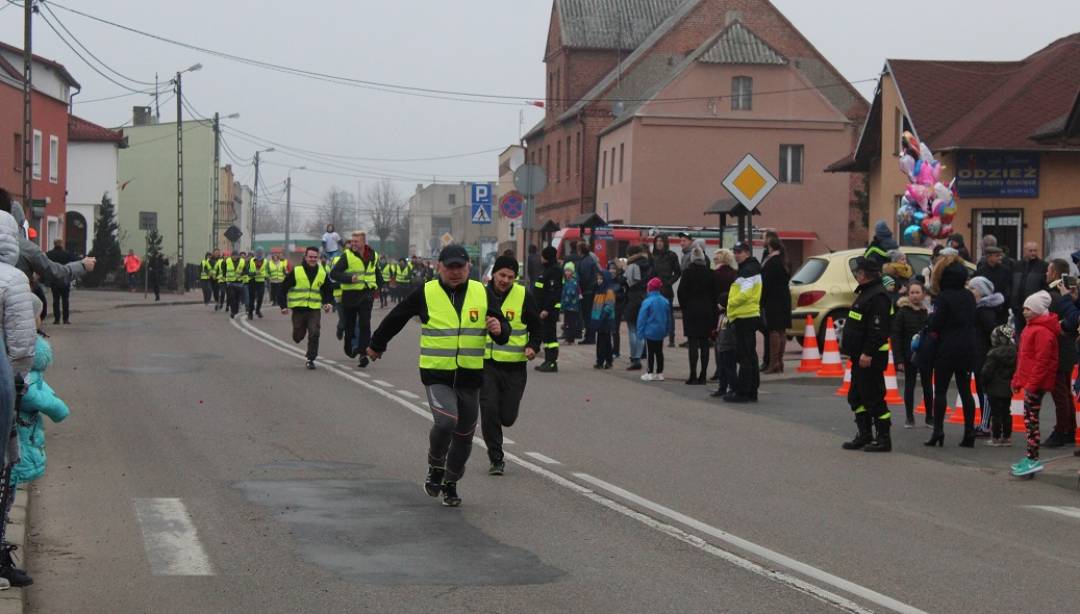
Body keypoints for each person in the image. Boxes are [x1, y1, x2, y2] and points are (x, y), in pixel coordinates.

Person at [367, 245, 510, 507]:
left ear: (468, 268)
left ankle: (451, 482)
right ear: (439, 267)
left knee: (465, 436)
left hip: (470, 376)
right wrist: (377, 344)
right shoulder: (427, 292)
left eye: (460, 267)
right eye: (450, 267)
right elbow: (397, 317)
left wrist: (499, 329)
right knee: (446, 423)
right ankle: (435, 464)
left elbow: (502, 329)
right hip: (437, 374)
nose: (455, 272)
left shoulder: (482, 292)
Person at [7, 332, 68, 586]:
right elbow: (32, 394)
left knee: (9, 490)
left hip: (21, 437)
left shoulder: (29, 367)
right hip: (17, 439)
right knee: (8, 483)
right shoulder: (25, 367)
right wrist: (58, 408)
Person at [480, 256, 541, 476]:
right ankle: (496, 458)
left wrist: (533, 346)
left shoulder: (523, 295)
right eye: (501, 275)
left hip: (514, 367)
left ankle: (499, 443)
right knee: (489, 411)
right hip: (486, 364)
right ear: (493, 274)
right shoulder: (480, 294)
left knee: (507, 416)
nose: (505, 280)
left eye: (510, 276)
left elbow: (536, 326)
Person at [926, 255, 978, 448]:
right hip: (967, 347)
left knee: (940, 390)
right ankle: (969, 432)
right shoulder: (969, 296)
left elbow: (936, 324)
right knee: (965, 390)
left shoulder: (943, 297)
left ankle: (938, 430)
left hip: (946, 348)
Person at [1009, 291, 1059, 477]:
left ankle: (1032, 459)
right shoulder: (1031, 328)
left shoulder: (1043, 332)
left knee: (1032, 422)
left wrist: (1031, 384)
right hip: (1030, 381)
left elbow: (1042, 362)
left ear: (1038, 310)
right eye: (1024, 308)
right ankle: (1030, 457)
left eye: (1028, 308)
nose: (1024, 311)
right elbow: (1024, 360)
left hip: (1036, 384)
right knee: (1029, 421)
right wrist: (1017, 380)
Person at [329, 231, 383, 368]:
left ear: (363, 242)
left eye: (356, 241)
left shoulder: (374, 255)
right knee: (350, 325)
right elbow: (334, 273)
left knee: (365, 324)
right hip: (350, 295)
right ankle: (349, 347)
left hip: (367, 294)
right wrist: (348, 278)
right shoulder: (347, 256)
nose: (353, 244)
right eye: (352, 241)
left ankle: (363, 354)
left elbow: (377, 274)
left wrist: (379, 287)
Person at [1041, 259, 1078, 448]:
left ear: (1054, 273)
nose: (1046, 274)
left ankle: (1061, 430)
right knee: (1064, 391)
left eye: (1048, 271)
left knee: (1060, 393)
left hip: (1059, 349)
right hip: (1066, 348)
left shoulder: (1053, 297)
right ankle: (1069, 429)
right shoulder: (1063, 297)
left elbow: (1060, 323)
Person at [279, 247, 334, 369]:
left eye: (315, 257)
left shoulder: (322, 272)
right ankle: (298, 333)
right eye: (311, 257)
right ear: (305, 257)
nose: (313, 259)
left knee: (314, 332)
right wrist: (283, 306)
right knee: (298, 336)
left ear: (318, 258)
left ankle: (311, 358)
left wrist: (328, 303)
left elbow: (328, 290)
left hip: (314, 309)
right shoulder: (297, 271)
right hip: (298, 309)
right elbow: (283, 288)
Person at [968, 276, 1007, 437]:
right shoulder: (982, 309)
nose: (970, 291)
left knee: (985, 390)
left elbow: (992, 332)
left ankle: (986, 425)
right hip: (981, 353)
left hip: (984, 355)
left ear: (981, 292)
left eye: (973, 288)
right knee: (981, 389)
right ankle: (988, 423)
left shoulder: (984, 311)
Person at [724, 242, 762, 403]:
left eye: (739, 252)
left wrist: (730, 302)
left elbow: (745, 294)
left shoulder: (747, 270)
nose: (736, 255)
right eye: (735, 252)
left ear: (747, 252)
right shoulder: (751, 267)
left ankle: (743, 392)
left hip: (744, 316)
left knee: (745, 356)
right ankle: (752, 390)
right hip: (748, 315)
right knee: (750, 355)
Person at [892, 280, 933, 428]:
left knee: (928, 385)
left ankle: (929, 417)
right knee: (909, 385)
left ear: (923, 294)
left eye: (917, 292)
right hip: (908, 354)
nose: (915, 296)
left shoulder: (928, 312)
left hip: (926, 354)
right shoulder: (902, 312)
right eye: (912, 293)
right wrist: (899, 359)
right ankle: (909, 417)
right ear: (908, 295)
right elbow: (896, 336)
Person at [676, 245, 718, 384]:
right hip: (707, 312)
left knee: (693, 344)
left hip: (691, 312)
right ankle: (703, 375)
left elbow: (681, 292)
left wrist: (685, 307)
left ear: (692, 259)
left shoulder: (687, 273)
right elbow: (715, 295)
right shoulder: (711, 273)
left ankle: (693, 375)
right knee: (705, 343)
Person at [981, 324, 1017, 446]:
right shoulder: (1014, 352)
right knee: (1006, 412)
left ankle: (996, 437)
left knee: (996, 413)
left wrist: (984, 383)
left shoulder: (993, 354)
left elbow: (986, 372)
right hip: (1007, 388)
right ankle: (1007, 437)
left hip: (993, 387)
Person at [760, 237, 791, 374]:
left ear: (770, 247)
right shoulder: (784, 261)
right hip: (784, 298)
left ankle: (774, 363)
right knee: (781, 330)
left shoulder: (771, 262)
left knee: (773, 330)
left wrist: (761, 300)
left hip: (773, 299)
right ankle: (780, 362)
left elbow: (765, 282)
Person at [533, 246, 563, 373]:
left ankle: (552, 362)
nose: (540, 258)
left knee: (550, 337)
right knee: (546, 336)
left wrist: (546, 309)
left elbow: (553, 293)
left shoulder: (554, 271)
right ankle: (547, 360)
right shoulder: (546, 269)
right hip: (542, 309)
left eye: (542, 256)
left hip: (548, 311)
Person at [637, 277, 670, 382]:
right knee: (659, 352)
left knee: (650, 352)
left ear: (649, 288)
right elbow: (669, 318)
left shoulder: (647, 301)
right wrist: (667, 330)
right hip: (661, 331)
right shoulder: (665, 301)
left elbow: (642, 318)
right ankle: (660, 373)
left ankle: (650, 372)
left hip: (650, 331)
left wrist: (640, 332)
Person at [623, 245, 651, 371]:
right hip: (644, 297)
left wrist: (622, 271)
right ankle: (640, 355)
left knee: (632, 329)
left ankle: (635, 358)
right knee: (641, 330)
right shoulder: (649, 264)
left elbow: (627, 282)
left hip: (633, 298)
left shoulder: (633, 265)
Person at [1011, 242, 1047, 338]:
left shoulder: (1043, 266)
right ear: (1024, 251)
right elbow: (1011, 284)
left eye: (1035, 251)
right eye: (1030, 251)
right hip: (1018, 308)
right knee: (1018, 335)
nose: (1033, 253)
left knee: (1032, 335)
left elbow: (1045, 287)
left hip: (1033, 309)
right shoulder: (1016, 265)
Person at [651, 236, 681, 347]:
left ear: (665, 243)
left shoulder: (671, 256)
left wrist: (670, 282)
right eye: (657, 241)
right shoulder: (652, 256)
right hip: (654, 290)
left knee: (669, 314)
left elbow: (678, 272)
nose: (659, 243)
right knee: (655, 314)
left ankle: (671, 339)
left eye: (661, 241)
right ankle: (656, 336)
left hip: (666, 289)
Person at [590, 269, 617, 369]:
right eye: (598, 278)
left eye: (601, 278)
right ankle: (600, 360)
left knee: (606, 341)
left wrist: (603, 315)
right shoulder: (598, 290)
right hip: (599, 319)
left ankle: (608, 360)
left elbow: (609, 305)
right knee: (601, 341)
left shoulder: (609, 291)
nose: (599, 280)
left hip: (606, 320)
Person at [45, 240, 75, 324]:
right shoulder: (67, 254)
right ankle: (66, 319)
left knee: (56, 300)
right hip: (65, 279)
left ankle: (57, 319)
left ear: (54, 244)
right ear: (61, 244)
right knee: (65, 300)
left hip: (55, 279)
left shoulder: (49, 254)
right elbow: (74, 262)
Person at [975, 246, 1012, 312]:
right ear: (989, 257)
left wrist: (1004, 301)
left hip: (1002, 307)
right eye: (997, 256)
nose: (1000, 258)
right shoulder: (980, 271)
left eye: (1000, 255)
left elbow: (1008, 288)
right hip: (985, 308)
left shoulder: (1005, 270)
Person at [576, 243, 599, 344]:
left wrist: (580, 288)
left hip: (587, 291)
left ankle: (590, 337)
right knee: (589, 314)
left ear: (580, 250)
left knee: (587, 314)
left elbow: (584, 277)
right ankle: (590, 336)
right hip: (591, 290)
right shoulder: (590, 259)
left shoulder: (585, 261)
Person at [222, 251, 247, 318]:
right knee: (231, 297)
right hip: (230, 283)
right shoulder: (227, 261)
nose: (235, 257)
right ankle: (233, 311)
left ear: (238, 256)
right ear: (231, 256)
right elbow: (223, 270)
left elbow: (245, 270)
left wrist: (242, 274)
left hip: (239, 283)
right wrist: (225, 278)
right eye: (233, 255)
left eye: (236, 256)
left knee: (237, 298)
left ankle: (235, 310)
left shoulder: (242, 261)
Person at [560, 263, 580, 345]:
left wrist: (563, 304)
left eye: (568, 271)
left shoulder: (572, 282)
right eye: (566, 271)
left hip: (571, 306)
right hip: (568, 307)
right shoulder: (567, 281)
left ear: (572, 272)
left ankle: (570, 339)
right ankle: (568, 338)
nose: (567, 272)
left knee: (571, 323)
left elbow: (570, 294)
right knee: (567, 323)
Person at [246, 248, 270, 319]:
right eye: (258, 254)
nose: (259, 256)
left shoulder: (266, 262)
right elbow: (247, 272)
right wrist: (254, 273)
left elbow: (268, 271)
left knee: (260, 297)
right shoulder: (251, 261)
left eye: (260, 254)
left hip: (261, 282)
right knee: (251, 298)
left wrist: (266, 276)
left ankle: (257, 310)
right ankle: (250, 313)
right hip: (252, 281)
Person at [609, 260, 626, 359]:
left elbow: (622, 295)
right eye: (611, 269)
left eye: (614, 269)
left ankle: (616, 351)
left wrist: (615, 296)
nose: (612, 271)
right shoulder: (607, 280)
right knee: (609, 330)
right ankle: (610, 349)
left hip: (617, 307)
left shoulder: (620, 280)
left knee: (615, 330)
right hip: (608, 307)